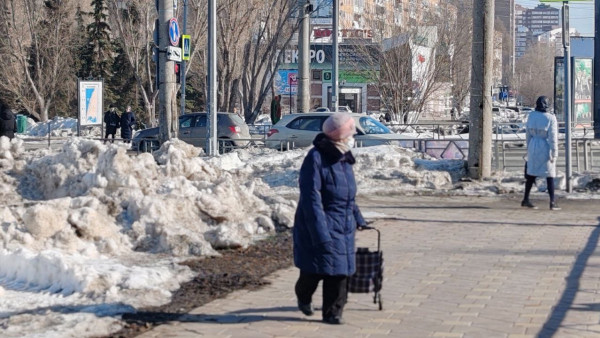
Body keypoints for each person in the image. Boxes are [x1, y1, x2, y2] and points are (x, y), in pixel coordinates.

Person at [293, 112, 367, 325]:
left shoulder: (344, 157)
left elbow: (348, 195)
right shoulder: (316, 158)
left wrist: (358, 218)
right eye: (351, 132)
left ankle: (333, 313)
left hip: (343, 225)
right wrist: (320, 231)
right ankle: (303, 295)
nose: (353, 136)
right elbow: (311, 198)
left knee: (340, 271)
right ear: (340, 135)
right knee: (314, 271)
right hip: (320, 223)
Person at [522, 96, 560, 211]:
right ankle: (552, 202)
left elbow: (528, 133)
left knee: (531, 174)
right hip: (545, 146)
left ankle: (526, 199)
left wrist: (529, 148)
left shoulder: (531, 115)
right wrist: (554, 152)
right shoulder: (550, 118)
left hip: (533, 145)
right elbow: (553, 138)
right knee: (549, 174)